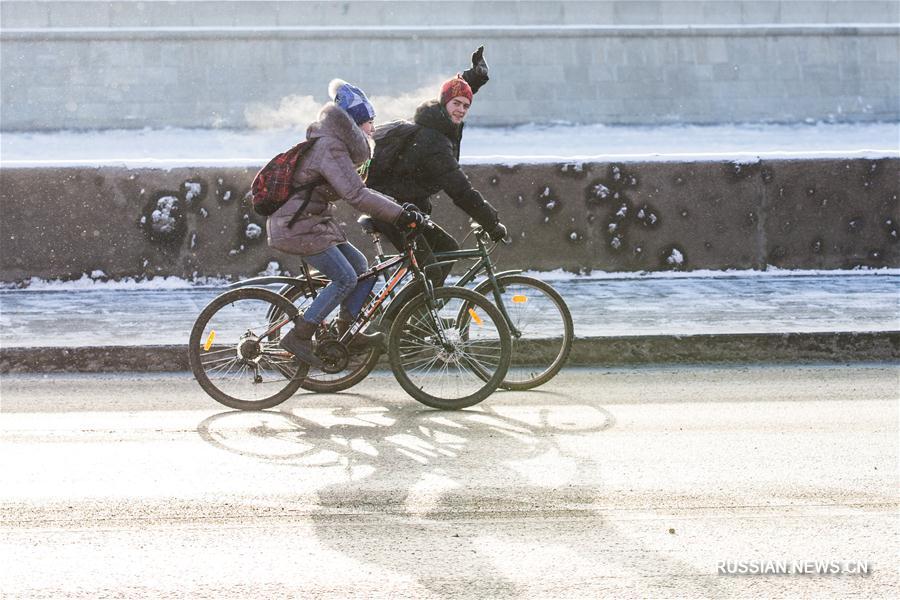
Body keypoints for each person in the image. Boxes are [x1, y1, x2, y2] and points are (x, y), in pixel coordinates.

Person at [267, 79, 423, 367]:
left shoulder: (335, 146)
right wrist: (399, 215)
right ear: (353, 124)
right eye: (368, 122)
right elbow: (356, 195)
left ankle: (347, 328)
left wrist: (399, 208)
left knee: (362, 268)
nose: (373, 129)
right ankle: (299, 335)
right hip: (297, 226)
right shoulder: (331, 148)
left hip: (312, 223)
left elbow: (358, 189)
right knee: (345, 278)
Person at [366, 46, 508, 286]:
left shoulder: (438, 120)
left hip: (408, 207)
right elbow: (459, 190)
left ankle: (418, 321)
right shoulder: (433, 141)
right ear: (444, 103)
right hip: (392, 209)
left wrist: (474, 79)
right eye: (457, 104)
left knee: (447, 248)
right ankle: (390, 323)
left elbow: (453, 93)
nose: (461, 110)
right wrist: (490, 222)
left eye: (466, 106)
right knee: (431, 272)